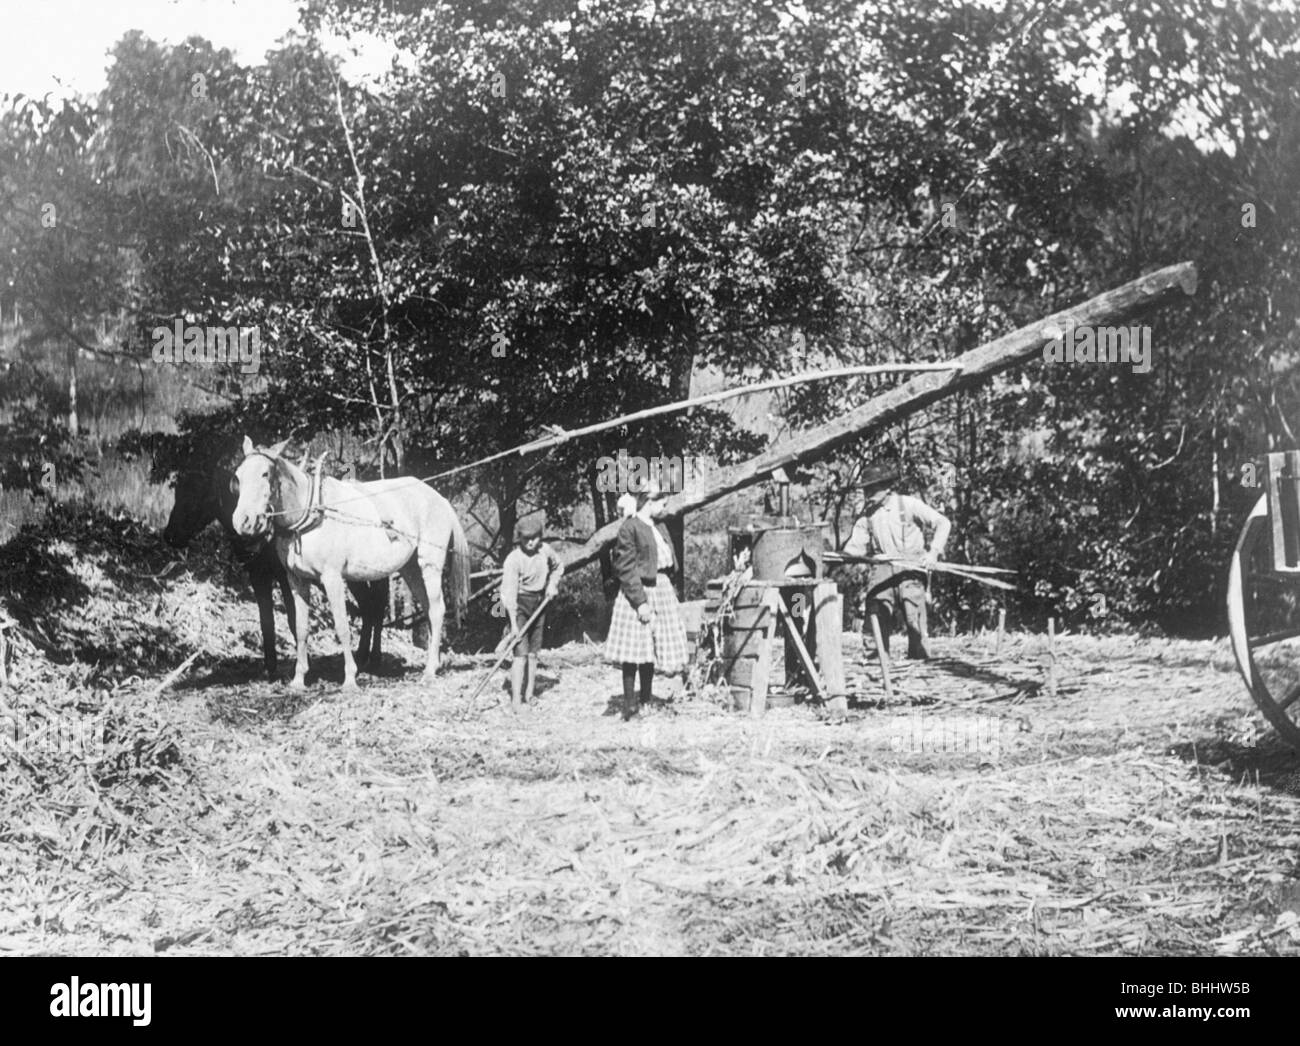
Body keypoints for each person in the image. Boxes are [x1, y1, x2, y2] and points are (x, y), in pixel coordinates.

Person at [842, 475, 950, 660]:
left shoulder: (908, 504)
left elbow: (943, 523)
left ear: (886, 487)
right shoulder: (867, 516)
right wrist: (841, 556)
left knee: (914, 619)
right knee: (875, 615)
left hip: (911, 569)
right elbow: (853, 548)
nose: (868, 494)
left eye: (873, 488)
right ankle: (876, 664)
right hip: (882, 569)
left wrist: (933, 553)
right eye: (866, 489)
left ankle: (919, 664)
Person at [605, 483, 689, 719]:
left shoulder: (659, 526)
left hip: (660, 589)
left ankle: (646, 699)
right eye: (662, 503)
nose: (664, 508)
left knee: (651, 650)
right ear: (649, 502)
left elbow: (667, 558)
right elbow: (625, 567)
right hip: (640, 592)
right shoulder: (630, 527)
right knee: (635, 650)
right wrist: (640, 602)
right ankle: (630, 705)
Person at [499, 517, 564, 713]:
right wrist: (514, 625)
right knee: (520, 655)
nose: (531, 542)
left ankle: (529, 693)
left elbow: (558, 566)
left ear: (540, 537)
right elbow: (508, 594)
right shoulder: (513, 560)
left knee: (534, 653)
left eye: (535, 538)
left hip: (540, 603)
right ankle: (516, 701)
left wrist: (552, 584)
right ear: (519, 539)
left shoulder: (545, 551)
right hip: (519, 605)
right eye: (526, 539)